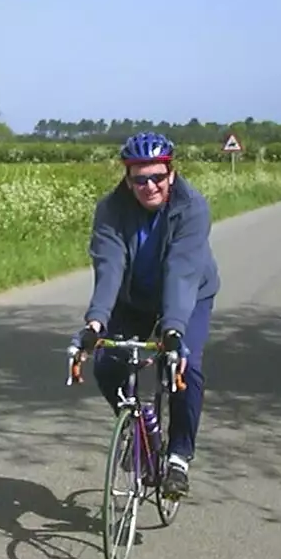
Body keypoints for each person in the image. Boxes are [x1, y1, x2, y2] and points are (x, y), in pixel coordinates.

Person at [75, 131, 220, 499]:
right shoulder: (111, 210)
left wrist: (173, 330)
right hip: (133, 298)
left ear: (171, 174)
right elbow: (109, 268)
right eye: (139, 179)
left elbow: (182, 271)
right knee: (108, 364)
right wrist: (95, 322)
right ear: (127, 179)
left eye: (157, 176)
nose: (149, 185)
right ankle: (137, 433)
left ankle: (178, 458)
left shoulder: (192, 207)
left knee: (186, 365)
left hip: (189, 296)